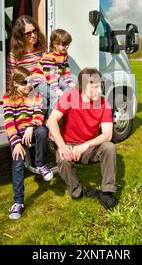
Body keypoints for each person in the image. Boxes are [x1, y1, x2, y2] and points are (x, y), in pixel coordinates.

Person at [46, 68, 118, 209]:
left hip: (89, 147)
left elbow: (107, 135)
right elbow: (51, 120)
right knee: (62, 158)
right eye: (94, 87)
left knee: (109, 147)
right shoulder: (71, 96)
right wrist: (62, 145)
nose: (99, 91)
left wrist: (85, 145)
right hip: (69, 145)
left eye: (100, 86)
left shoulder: (104, 104)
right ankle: (77, 191)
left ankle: (107, 193)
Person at [3, 67, 54, 220]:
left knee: (42, 131)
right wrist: (16, 143)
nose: (28, 86)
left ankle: (39, 163)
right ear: (15, 84)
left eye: (30, 82)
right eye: (23, 83)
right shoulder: (8, 98)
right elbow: (9, 122)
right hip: (17, 135)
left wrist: (31, 126)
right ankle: (18, 202)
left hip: (31, 129)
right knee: (18, 163)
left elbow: (38, 113)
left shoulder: (35, 95)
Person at [6, 15, 48, 104]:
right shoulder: (14, 55)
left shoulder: (42, 50)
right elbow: (10, 81)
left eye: (34, 31)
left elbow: (49, 70)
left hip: (44, 86)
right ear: (20, 36)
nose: (33, 35)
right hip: (27, 92)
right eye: (28, 33)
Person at [40, 29, 76, 113]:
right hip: (42, 82)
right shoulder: (49, 56)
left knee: (69, 91)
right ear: (54, 43)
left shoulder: (63, 56)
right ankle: (50, 119)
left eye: (68, 44)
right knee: (54, 96)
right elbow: (50, 74)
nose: (67, 46)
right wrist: (56, 89)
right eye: (63, 44)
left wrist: (69, 82)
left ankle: (64, 117)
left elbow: (66, 70)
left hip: (52, 82)